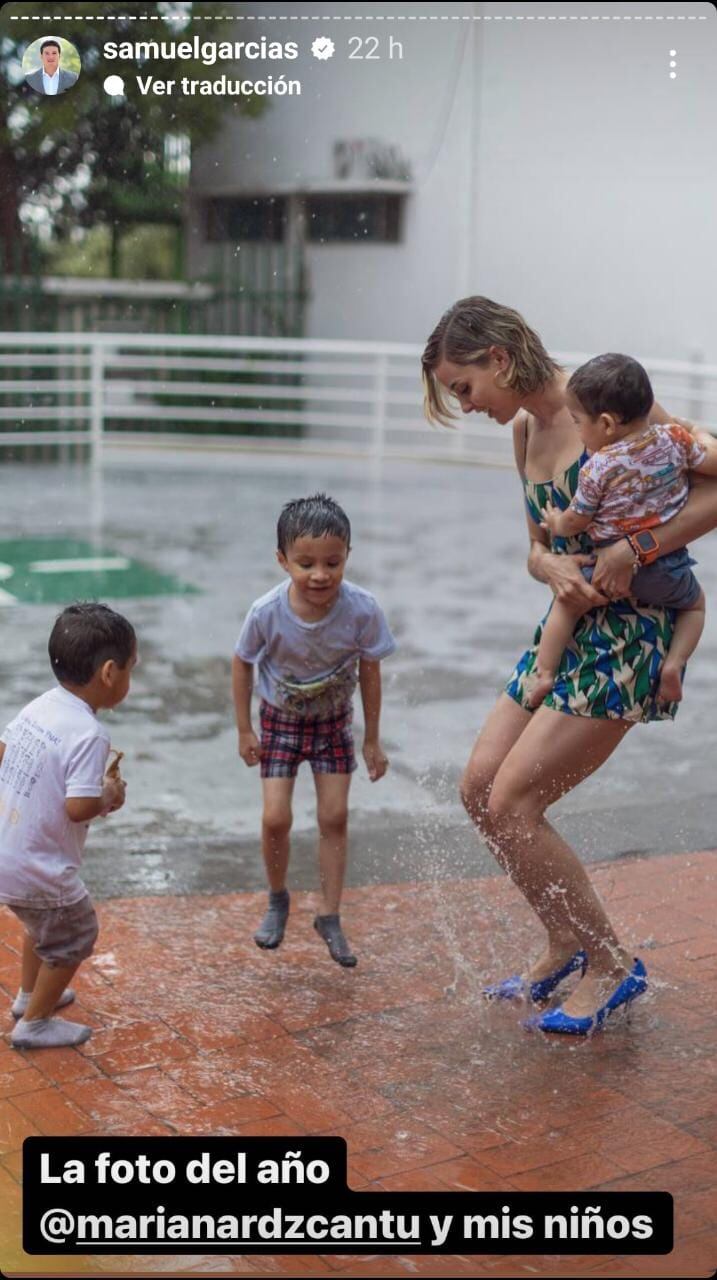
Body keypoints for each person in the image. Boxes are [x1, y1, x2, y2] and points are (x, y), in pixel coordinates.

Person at [422, 296, 717, 1035]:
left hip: (628, 636)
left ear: (496, 358)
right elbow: (536, 549)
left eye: (463, 387)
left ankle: (613, 963)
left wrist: (635, 550)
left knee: (515, 804)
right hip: (565, 628)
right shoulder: (522, 428)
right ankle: (562, 939)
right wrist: (548, 569)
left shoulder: (607, 405)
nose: (466, 405)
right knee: (478, 789)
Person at [232, 493, 396, 967]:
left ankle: (329, 914)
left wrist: (372, 738)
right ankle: (278, 896)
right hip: (280, 722)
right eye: (305, 563)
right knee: (275, 817)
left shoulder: (362, 610)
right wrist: (245, 729)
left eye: (332, 562)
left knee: (334, 816)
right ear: (282, 560)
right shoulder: (266, 612)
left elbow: (370, 671)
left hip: (332, 724)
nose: (320, 574)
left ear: (348, 555)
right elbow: (242, 662)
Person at [532, 352, 717, 709]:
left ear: (606, 424)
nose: (576, 430)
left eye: (577, 422)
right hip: (665, 568)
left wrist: (556, 522)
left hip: (603, 567)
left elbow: (577, 519)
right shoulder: (674, 440)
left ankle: (543, 674)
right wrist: (697, 433)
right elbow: (711, 462)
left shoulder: (597, 467)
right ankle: (674, 666)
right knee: (695, 606)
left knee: (565, 606)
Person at [0, 603, 135, 1049]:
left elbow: (4, 752)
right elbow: (79, 807)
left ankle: (27, 996)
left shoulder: (43, 705)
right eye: (132, 670)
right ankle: (34, 1022)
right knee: (75, 932)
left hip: (9, 851)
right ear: (110, 673)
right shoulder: (89, 732)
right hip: (40, 864)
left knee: (43, 925)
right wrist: (110, 795)